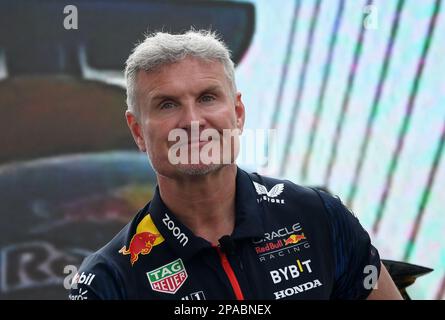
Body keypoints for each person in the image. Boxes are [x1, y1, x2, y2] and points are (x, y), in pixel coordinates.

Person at [69, 30, 402, 300]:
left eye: (207, 98)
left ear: (238, 113)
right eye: (167, 104)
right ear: (138, 130)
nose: (192, 121)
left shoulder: (320, 217)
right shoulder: (108, 280)